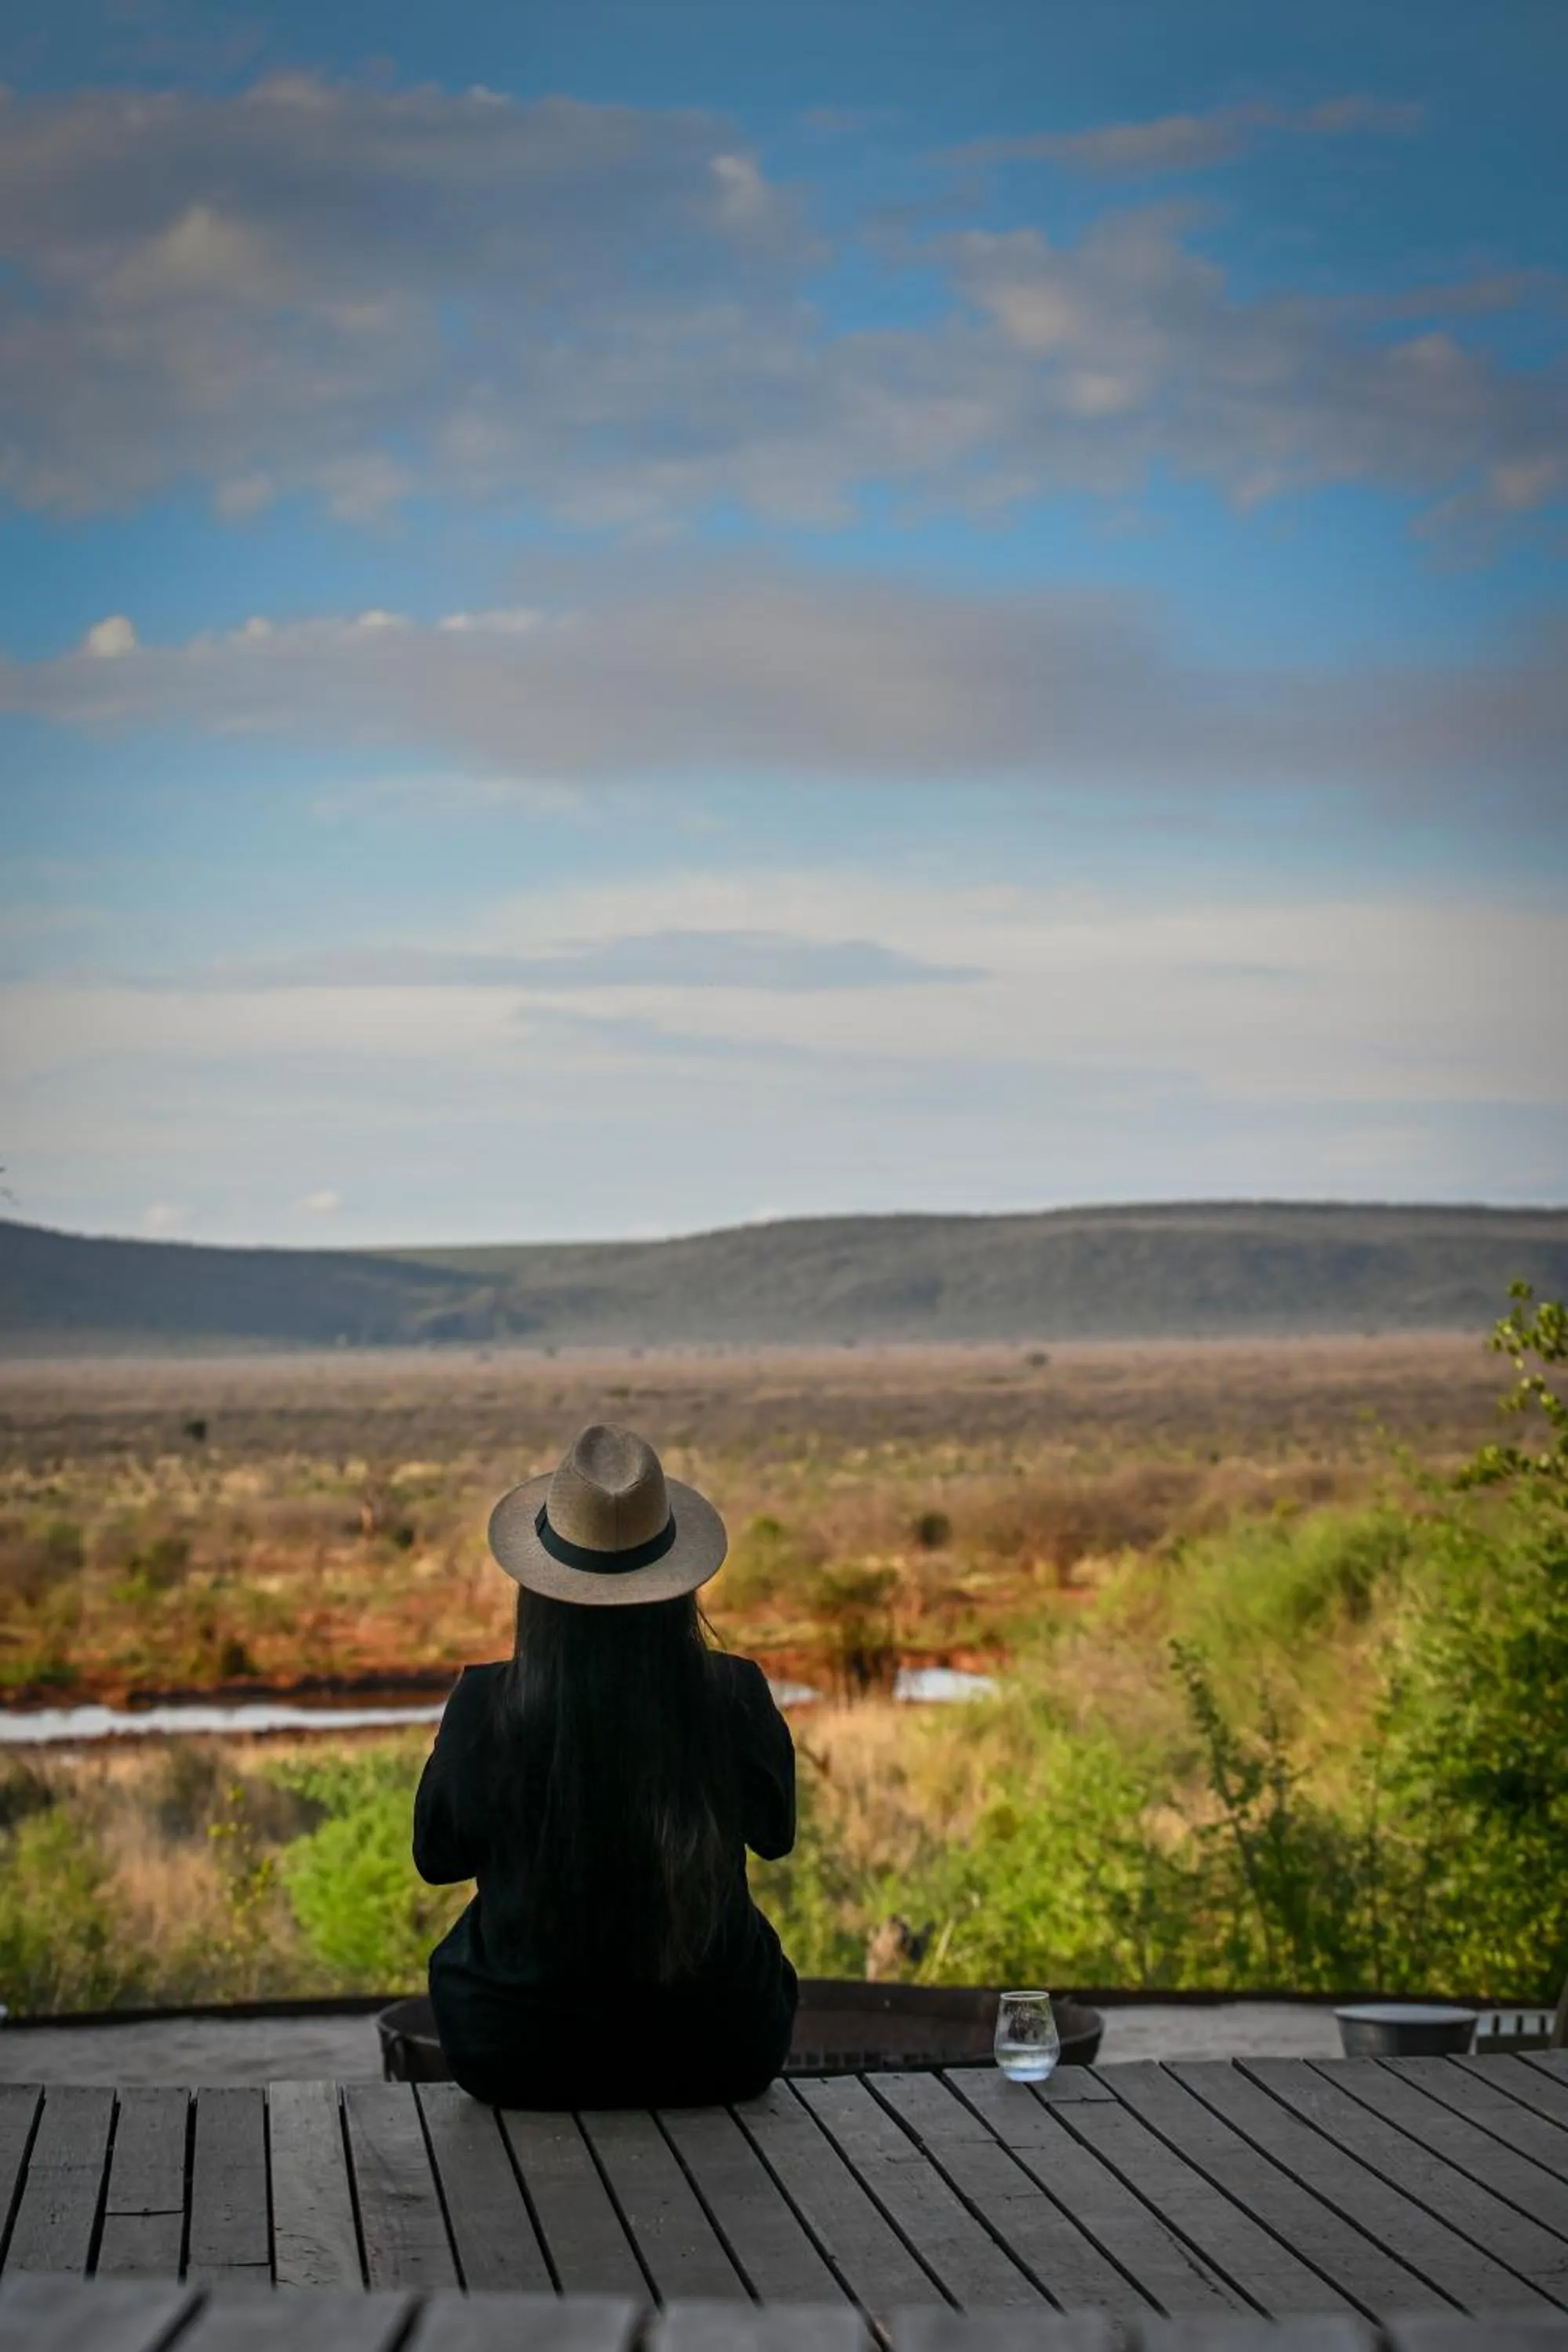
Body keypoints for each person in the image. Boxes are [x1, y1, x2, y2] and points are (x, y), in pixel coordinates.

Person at [412, 1421, 799, 2107]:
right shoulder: (732, 1693)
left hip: (516, 2052)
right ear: (678, 1583)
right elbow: (776, 1835)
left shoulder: (484, 1703)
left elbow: (437, 1857)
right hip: (719, 2049)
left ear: (538, 1585)